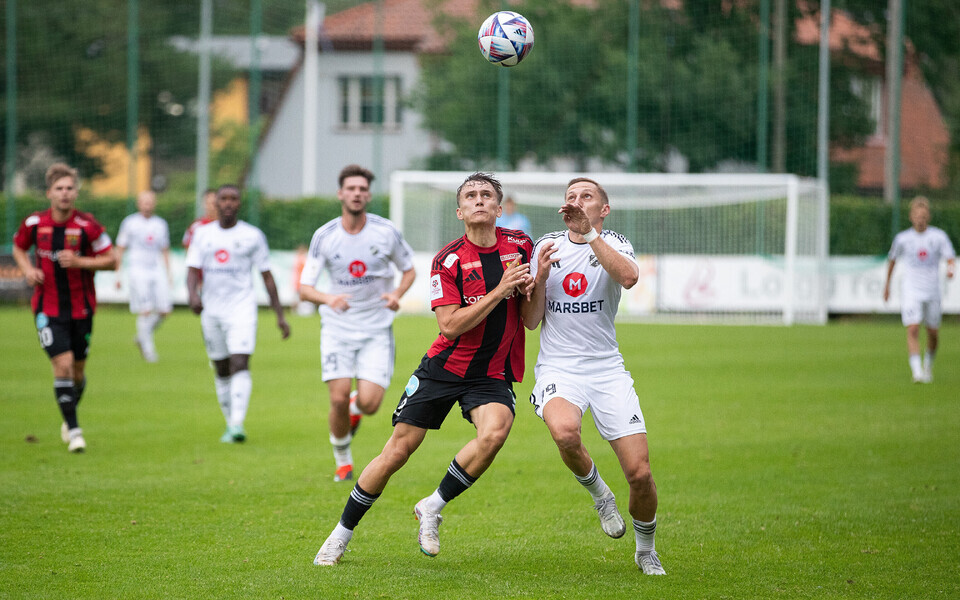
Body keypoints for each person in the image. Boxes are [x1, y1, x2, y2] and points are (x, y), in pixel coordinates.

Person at [314, 172, 534, 566]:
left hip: (491, 373)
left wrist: (541, 279)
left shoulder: (521, 246)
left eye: (487, 195)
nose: (479, 200)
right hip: (443, 368)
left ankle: (432, 506)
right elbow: (449, 325)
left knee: (495, 433)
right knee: (397, 452)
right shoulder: (448, 259)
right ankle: (339, 536)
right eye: (471, 195)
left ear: (500, 209)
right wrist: (500, 290)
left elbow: (531, 316)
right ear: (460, 211)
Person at [522, 177, 666, 575]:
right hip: (558, 368)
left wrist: (589, 236)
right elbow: (531, 322)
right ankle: (600, 495)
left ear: (603, 209)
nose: (576, 201)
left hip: (607, 369)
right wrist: (540, 278)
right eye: (570, 196)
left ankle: (645, 548)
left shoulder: (614, 242)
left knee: (640, 474)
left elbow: (629, 277)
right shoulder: (545, 247)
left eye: (587, 197)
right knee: (566, 433)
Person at [298, 165, 416, 482]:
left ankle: (356, 405)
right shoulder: (325, 236)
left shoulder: (385, 232)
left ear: (369, 195)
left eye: (362, 189)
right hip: (338, 328)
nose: (357, 193)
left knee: (371, 404)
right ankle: (343, 461)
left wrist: (397, 294)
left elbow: (409, 270)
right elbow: (305, 288)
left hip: (376, 329)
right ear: (340, 194)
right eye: (351, 188)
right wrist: (328, 299)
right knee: (336, 397)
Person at [11, 163, 117, 453]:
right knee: (63, 364)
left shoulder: (88, 226)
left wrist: (81, 261)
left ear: (76, 192)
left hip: (82, 310)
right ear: (49, 193)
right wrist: (27, 269)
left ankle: (67, 409)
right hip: (47, 309)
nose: (65, 193)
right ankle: (75, 430)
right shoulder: (34, 224)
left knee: (78, 373)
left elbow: (112, 260)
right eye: (59, 188)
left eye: (69, 188)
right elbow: (19, 247)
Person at [186, 184, 291, 442]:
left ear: (239, 204)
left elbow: (266, 276)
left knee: (240, 362)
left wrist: (279, 315)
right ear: (216, 203)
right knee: (222, 368)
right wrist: (192, 295)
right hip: (212, 311)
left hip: (242, 309)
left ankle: (236, 424)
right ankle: (229, 421)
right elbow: (191, 270)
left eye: (234, 198)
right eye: (224, 199)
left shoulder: (252, 236)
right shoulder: (202, 234)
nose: (229, 203)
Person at [883, 196, 956, 383]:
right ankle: (917, 372)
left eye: (923, 216)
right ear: (911, 217)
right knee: (913, 328)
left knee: (933, 333)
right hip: (911, 289)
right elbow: (892, 261)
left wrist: (950, 269)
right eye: (917, 216)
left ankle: (928, 365)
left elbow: (950, 257)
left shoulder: (938, 236)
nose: (920, 219)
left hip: (932, 290)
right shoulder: (902, 239)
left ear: (928, 217)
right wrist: (887, 285)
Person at [115, 190, 173, 363]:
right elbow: (120, 249)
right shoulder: (130, 223)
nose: (147, 205)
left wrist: (169, 273)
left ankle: (142, 336)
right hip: (137, 269)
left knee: (164, 311)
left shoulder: (160, 224)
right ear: (139, 204)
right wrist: (118, 275)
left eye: (150, 202)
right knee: (146, 309)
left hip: (156, 269)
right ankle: (149, 351)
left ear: (154, 204)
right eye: (144, 202)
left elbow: (165, 249)